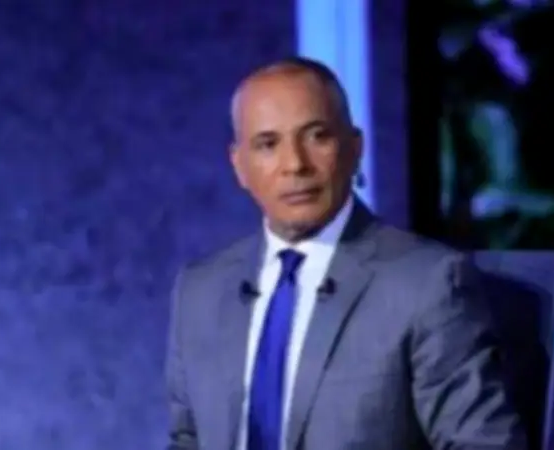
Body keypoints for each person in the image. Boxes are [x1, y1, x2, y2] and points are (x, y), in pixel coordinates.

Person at [166, 57, 529, 450]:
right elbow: (187, 440)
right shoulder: (200, 291)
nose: (295, 164)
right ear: (239, 166)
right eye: (268, 144)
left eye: (316, 136)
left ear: (355, 148)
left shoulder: (428, 283)